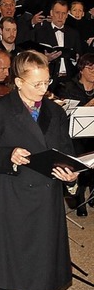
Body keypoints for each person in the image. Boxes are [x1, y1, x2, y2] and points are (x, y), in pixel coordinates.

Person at [0, 50, 77, 290]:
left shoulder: (55, 112)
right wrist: (8, 155)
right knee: (6, 268)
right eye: (36, 84)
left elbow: (65, 153)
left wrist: (71, 174)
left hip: (45, 200)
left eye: (46, 83)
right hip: (14, 198)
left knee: (38, 267)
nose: (43, 90)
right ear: (18, 82)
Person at [56, 53, 94, 217]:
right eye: (90, 68)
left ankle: (92, 195)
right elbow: (65, 116)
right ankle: (79, 200)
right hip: (75, 134)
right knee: (79, 159)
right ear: (81, 69)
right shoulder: (70, 87)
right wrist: (88, 106)